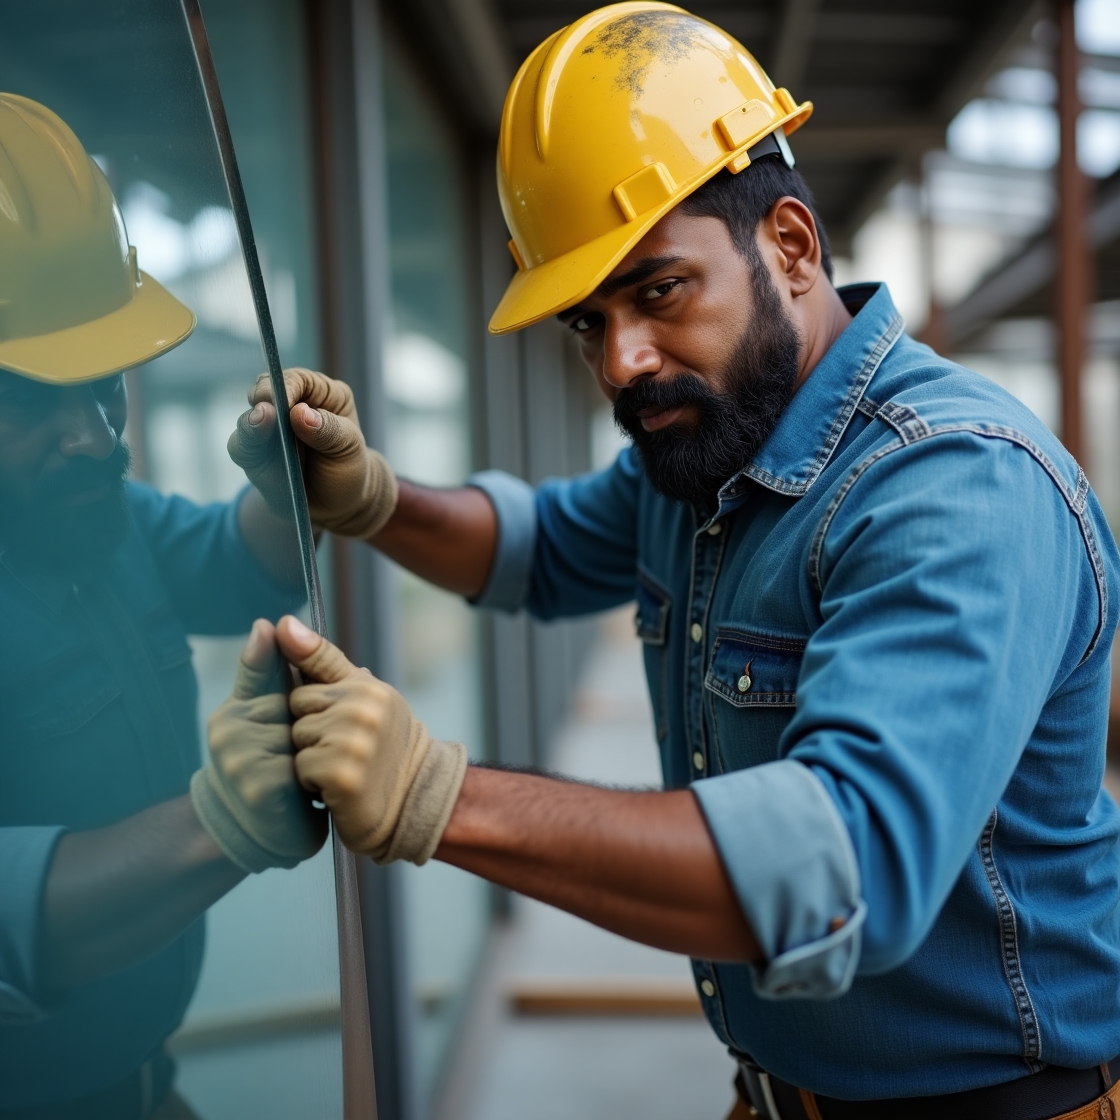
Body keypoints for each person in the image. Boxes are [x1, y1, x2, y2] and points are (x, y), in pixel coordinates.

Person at [236, 5, 1120, 1118]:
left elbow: (845, 858)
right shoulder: (707, 446)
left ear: (790, 246)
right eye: (586, 323)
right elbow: (540, 548)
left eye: (657, 291)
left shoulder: (953, 485)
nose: (623, 362)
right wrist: (367, 497)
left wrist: (437, 796)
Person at [0, 95, 328, 1119]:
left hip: (145, 1083)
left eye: (105, 389)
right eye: (28, 401)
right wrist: (219, 822)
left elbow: (241, 561)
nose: (95, 436)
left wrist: (291, 478)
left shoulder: (94, 516)